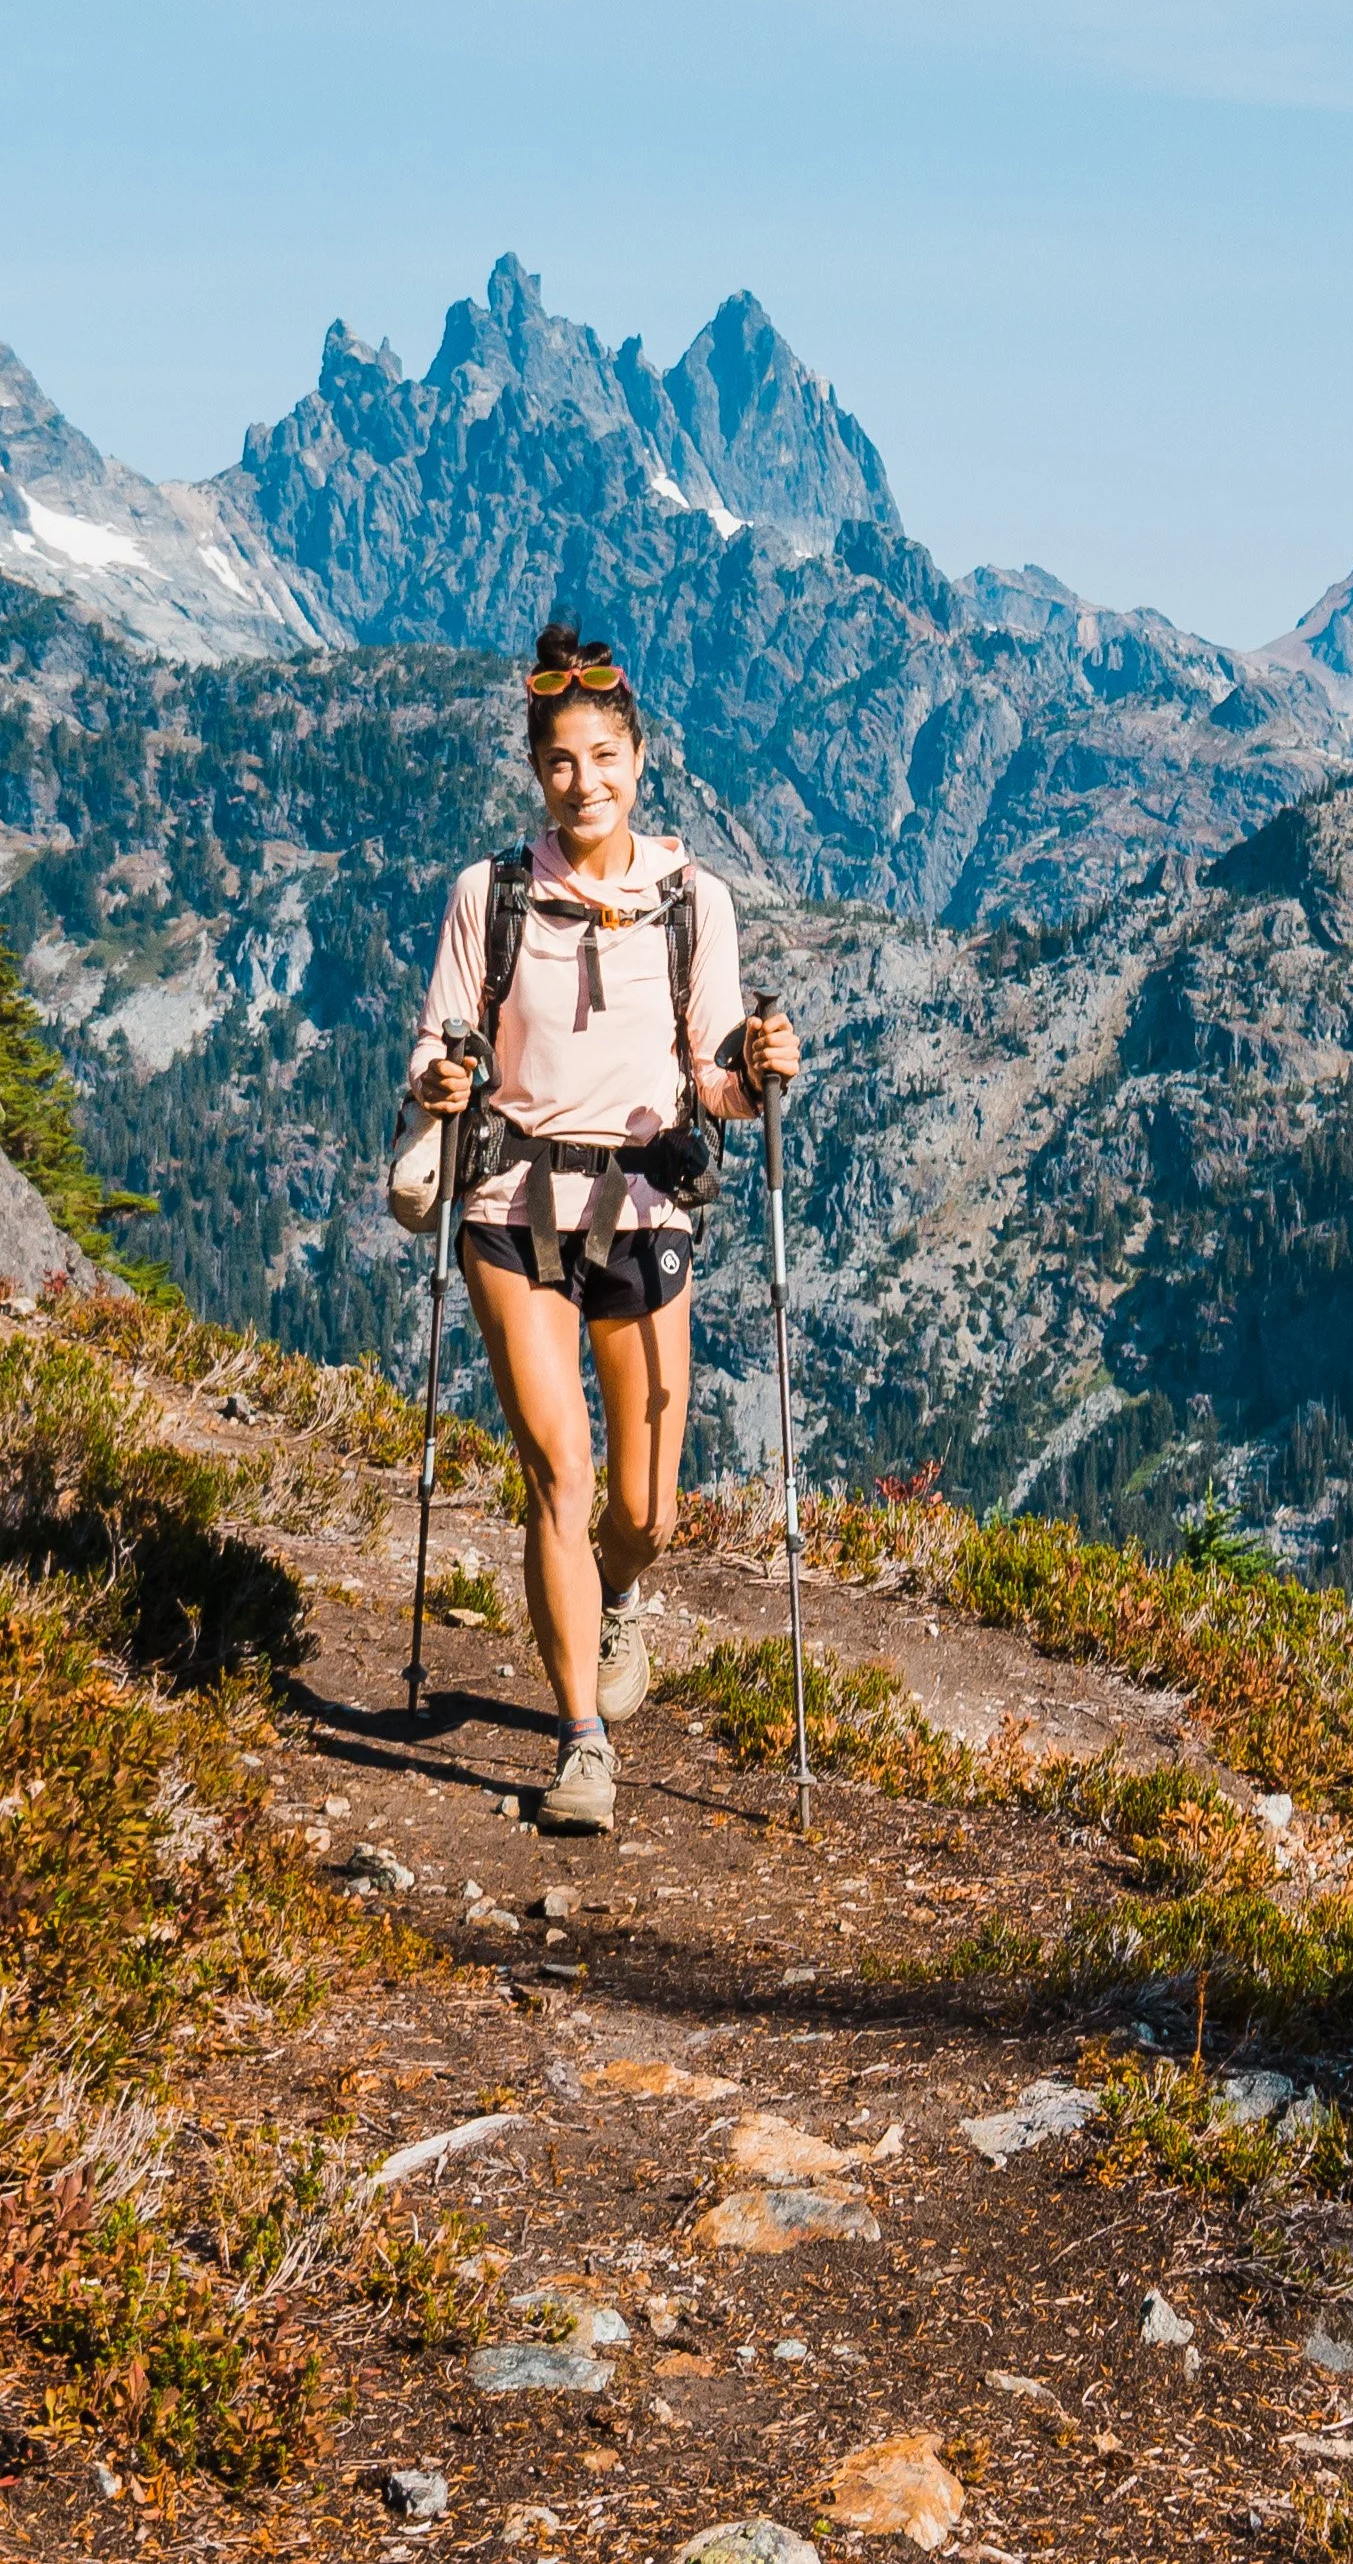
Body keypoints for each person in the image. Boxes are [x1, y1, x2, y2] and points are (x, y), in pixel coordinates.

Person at [407, 626, 801, 1835]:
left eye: (605, 756)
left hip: (644, 1208)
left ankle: (622, 1589)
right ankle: (581, 1743)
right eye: (561, 762)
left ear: (641, 758)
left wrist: (757, 1070)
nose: (585, 782)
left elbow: (712, 1075)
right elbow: (438, 1043)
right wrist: (438, 1084)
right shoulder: (491, 894)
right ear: (536, 769)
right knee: (556, 1476)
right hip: (511, 1207)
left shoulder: (695, 903)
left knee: (646, 1510)